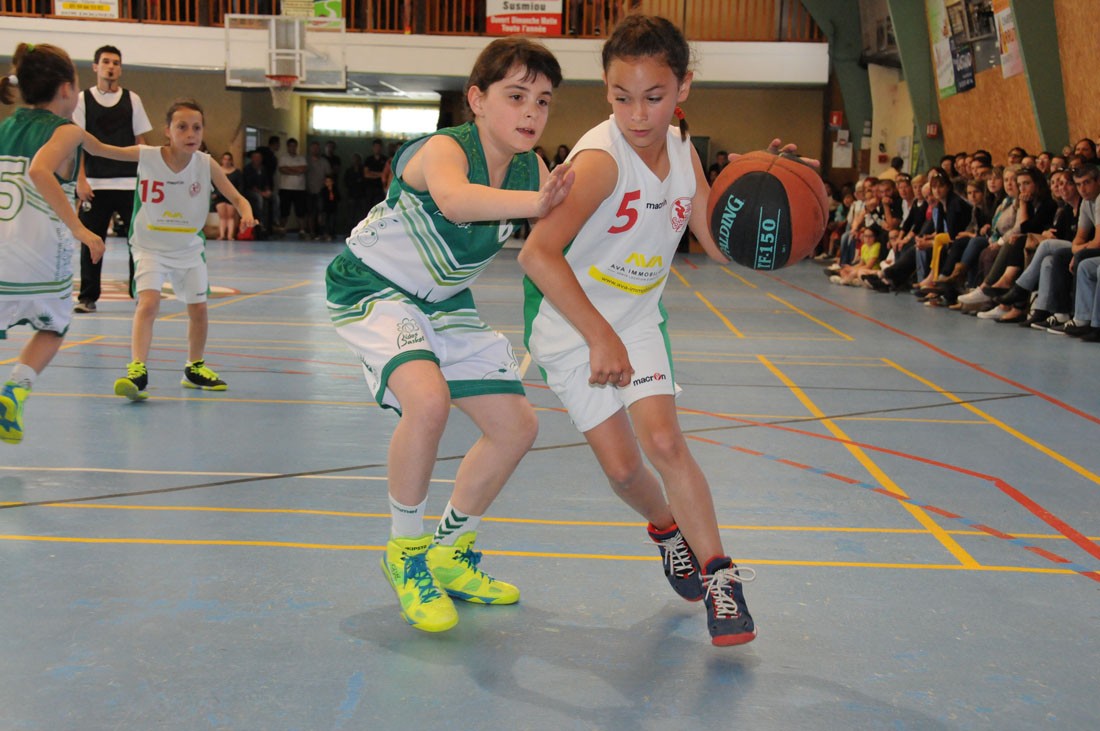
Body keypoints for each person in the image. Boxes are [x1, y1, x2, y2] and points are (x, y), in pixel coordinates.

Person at [519, 15, 765, 647]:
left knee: (665, 443)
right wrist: (599, 336)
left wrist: (767, 193)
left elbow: (717, 243)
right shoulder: (601, 163)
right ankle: (664, 527)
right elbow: (536, 254)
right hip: (571, 322)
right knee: (627, 471)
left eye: (653, 97)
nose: (637, 114)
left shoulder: (684, 152)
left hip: (635, 318)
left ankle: (720, 577)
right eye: (621, 97)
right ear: (606, 90)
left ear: (683, 87)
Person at [324, 38, 572, 633]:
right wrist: (540, 202)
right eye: (516, 96)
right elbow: (457, 202)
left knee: (517, 427)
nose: (531, 112)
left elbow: (560, 235)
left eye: (542, 101)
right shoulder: (443, 149)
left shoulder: (532, 169)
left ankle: (449, 551)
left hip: (442, 301)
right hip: (372, 286)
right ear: (477, 100)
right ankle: (405, 553)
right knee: (428, 402)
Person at [86, 99, 256, 401]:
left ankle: (194, 367)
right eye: (182, 127)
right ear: (167, 131)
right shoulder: (147, 155)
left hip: (188, 247)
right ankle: (137, 370)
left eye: (197, 128)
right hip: (150, 245)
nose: (191, 134)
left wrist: (246, 212)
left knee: (199, 308)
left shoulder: (205, 164)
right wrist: (75, 135)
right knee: (148, 303)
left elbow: (237, 198)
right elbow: (102, 149)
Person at [1, 43, 105, 444]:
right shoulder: (67, 131)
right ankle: (16, 388)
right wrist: (79, 228)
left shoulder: (5, 128)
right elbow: (41, 170)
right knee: (55, 326)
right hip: (40, 256)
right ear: (66, 89)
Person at [72, 45, 152, 313]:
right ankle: (87, 297)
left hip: (129, 184)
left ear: (120, 68)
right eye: (106, 62)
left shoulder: (133, 99)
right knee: (91, 243)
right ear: (96, 67)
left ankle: (139, 293)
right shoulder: (83, 100)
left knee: (138, 242)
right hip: (95, 185)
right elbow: (76, 143)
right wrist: (81, 180)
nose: (111, 67)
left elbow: (141, 142)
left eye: (116, 63)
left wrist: (147, 179)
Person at [277, 137, 307, 236]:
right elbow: (282, 169)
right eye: (291, 146)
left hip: (300, 189)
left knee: (300, 211)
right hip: (285, 188)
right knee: (284, 210)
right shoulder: (283, 158)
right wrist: (296, 171)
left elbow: (303, 169)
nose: (292, 148)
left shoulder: (301, 158)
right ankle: (282, 229)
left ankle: (302, 230)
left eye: (294, 146)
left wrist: (289, 169)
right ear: (287, 147)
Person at [213, 151, 243, 241]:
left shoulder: (237, 173)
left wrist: (237, 197)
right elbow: (213, 184)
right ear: (222, 160)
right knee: (222, 217)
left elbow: (240, 186)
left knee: (230, 217)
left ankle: (230, 235)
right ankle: (222, 235)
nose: (226, 161)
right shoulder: (217, 171)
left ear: (231, 161)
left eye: (228, 159)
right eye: (225, 159)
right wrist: (214, 194)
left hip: (231, 197)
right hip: (219, 196)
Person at [362, 138, 387, 212]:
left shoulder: (385, 159)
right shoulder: (368, 159)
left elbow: (385, 174)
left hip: (380, 187)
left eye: (379, 147)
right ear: (373, 148)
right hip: (370, 187)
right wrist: (380, 174)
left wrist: (372, 173)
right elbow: (366, 174)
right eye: (376, 147)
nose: (377, 149)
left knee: (379, 208)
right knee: (368, 208)